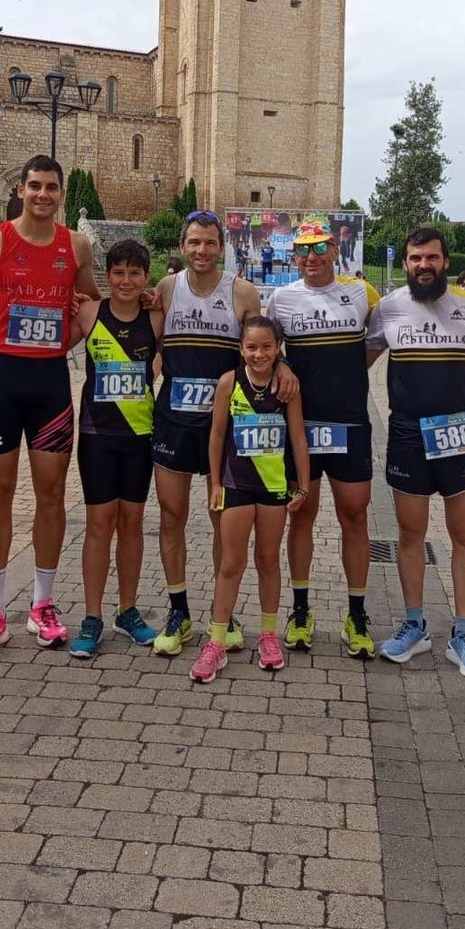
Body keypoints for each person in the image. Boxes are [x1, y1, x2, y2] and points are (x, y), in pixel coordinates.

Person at [0, 155, 100, 662]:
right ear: (19, 189)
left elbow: (94, 303)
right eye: (34, 186)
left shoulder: (75, 246)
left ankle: (42, 604)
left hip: (50, 384)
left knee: (52, 495)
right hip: (0, 381)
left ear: (62, 194)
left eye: (51, 187)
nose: (42, 195)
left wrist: (83, 328)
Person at [151, 211, 294, 657]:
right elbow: (148, 345)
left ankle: (223, 611)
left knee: (221, 521)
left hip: (225, 428)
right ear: (182, 245)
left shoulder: (241, 291)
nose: (202, 250)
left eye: (210, 242)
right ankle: (178, 611)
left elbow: (265, 342)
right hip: (173, 421)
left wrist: (284, 365)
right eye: (194, 242)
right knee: (171, 517)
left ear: (221, 246)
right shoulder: (166, 290)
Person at [367, 227, 465, 678]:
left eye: (431, 257)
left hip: (460, 430)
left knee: (464, 533)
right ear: (405, 264)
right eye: (415, 258)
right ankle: (414, 625)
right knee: (410, 534)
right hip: (406, 431)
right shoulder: (387, 309)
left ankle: (462, 633)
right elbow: (355, 361)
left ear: (445, 262)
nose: (424, 265)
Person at [267, 218, 378, 658]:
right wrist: (280, 366)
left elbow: (383, 336)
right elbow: (265, 347)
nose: (311, 258)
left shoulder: (361, 293)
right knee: (302, 517)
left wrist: (351, 373)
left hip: (350, 425)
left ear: (335, 251)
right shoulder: (282, 298)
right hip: (303, 429)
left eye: (319, 249)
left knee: (355, 517)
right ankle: (300, 609)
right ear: (294, 257)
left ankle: (356, 613)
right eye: (303, 251)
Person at [190, 317, 311, 682]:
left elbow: (298, 438)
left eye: (266, 347)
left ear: (278, 349)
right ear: (240, 349)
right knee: (231, 564)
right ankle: (216, 641)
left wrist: (303, 486)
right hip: (236, 486)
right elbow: (216, 436)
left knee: (268, 561)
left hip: (274, 489)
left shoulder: (286, 386)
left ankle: (269, 635)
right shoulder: (229, 383)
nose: (259, 354)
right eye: (251, 347)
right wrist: (214, 484)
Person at [68, 239, 164, 658]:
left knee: (132, 523)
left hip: (141, 436)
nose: (126, 281)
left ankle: (128, 609)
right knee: (98, 526)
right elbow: (54, 346)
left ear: (146, 277)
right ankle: (92, 615)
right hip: (97, 436)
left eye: (135, 274)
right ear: (108, 276)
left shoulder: (157, 317)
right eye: (119, 273)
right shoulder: (90, 312)